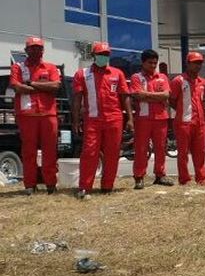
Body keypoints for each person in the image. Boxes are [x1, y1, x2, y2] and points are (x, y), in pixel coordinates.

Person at [72, 42, 131, 198]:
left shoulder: (117, 74)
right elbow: (77, 99)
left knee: (112, 153)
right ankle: (84, 187)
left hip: (114, 119)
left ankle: (107, 185)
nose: (104, 57)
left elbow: (125, 97)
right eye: (101, 55)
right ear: (93, 55)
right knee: (89, 152)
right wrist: (76, 120)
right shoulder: (82, 74)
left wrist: (130, 119)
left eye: (106, 55)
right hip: (92, 119)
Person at [9, 36, 62, 195]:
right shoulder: (18, 67)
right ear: (26, 50)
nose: (36, 50)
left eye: (39, 48)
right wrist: (43, 88)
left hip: (48, 114)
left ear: (43, 50)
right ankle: (29, 185)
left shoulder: (51, 67)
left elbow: (55, 86)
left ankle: (50, 184)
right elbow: (17, 87)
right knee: (28, 151)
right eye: (32, 48)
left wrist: (31, 84)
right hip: (27, 114)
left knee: (50, 150)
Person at [128, 48, 173, 189]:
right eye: (150, 63)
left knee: (161, 148)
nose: (153, 66)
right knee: (141, 149)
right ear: (143, 63)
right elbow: (137, 95)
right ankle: (139, 177)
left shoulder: (162, 77)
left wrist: (147, 95)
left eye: (155, 63)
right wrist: (158, 96)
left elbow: (166, 95)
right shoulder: (136, 78)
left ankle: (160, 175)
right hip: (143, 119)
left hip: (161, 118)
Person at [169, 52, 205, 186]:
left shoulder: (203, 82)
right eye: (195, 62)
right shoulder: (178, 81)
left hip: (200, 122)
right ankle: (184, 179)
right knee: (183, 153)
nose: (198, 65)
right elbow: (172, 100)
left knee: (201, 152)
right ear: (188, 63)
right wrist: (183, 111)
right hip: (183, 122)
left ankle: (202, 178)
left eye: (200, 63)